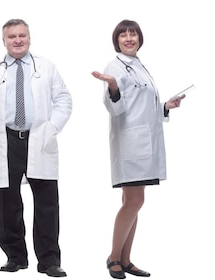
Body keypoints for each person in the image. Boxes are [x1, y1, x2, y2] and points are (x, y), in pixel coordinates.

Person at [0, 19, 72, 278]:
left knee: (47, 201)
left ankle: (49, 260)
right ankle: (15, 256)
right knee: (7, 201)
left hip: (39, 138)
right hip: (6, 139)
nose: (17, 40)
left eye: (22, 35)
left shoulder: (47, 67)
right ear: (4, 41)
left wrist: (52, 128)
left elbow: (64, 99)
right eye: (12, 37)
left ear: (29, 38)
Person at [91, 19, 184, 279]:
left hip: (143, 141)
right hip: (130, 143)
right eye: (124, 35)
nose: (129, 38)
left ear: (140, 39)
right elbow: (117, 109)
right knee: (135, 201)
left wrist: (165, 106)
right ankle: (113, 258)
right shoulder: (115, 66)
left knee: (132, 202)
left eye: (133, 34)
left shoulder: (139, 66)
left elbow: (142, 106)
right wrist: (111, 87)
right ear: (117, 40)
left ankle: (126, 259)